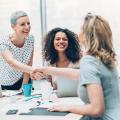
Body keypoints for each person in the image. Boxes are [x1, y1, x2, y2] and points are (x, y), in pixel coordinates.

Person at [32, 13, 120, 119]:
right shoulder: (104, 59)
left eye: (81, 30)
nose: (79, 33)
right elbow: (75, 74)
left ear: (87, 35)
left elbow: (96, 109)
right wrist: (43, 69)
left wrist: (68, 107)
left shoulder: (89, 61)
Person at [0, 11, 34, 90]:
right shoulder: (4, 42)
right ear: (13, 26)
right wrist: (33, 70)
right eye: (22, 24)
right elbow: (11, 62)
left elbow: (29, 63)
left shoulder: (31, 39)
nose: (27, 27)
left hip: (22, 79)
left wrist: (24, 85)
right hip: (5, 84)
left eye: (28, 23)